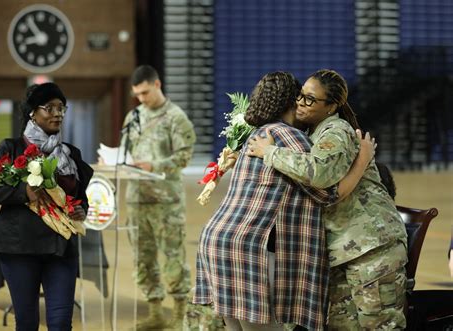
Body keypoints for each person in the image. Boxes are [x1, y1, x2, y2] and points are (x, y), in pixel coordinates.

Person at [194, 71, 373, 331]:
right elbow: (329, 194)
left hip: (217, 241)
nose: (303, 103)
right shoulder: (290, 138)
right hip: (247, 247)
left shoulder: (257, 135)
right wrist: (363, 161)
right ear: (292, 101)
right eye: (300, 97)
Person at [247, 69, 408, 330]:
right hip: (342, 250)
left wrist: (270, 152)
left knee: (379, 325)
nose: (300, 103)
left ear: (331, 106)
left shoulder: (336, 130)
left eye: (311, 99)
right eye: (300, 96)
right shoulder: (312, 133)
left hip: (371, 247)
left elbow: (319, 173)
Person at [0, 82, 93, 330]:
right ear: (32, 112)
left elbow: (81, 198)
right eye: (49, 108)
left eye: (61, 108)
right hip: (20, 250)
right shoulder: (11, 149)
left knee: (61, 322)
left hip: (60, 249)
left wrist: (82, 209)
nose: (57, 114)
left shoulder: (71, 155)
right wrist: (24, 192)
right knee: (27, 323)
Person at [121, 64, 196, 330]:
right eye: (137, 95)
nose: (141, 99)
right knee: (143, 257)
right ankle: (155, 311)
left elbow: (184, 156)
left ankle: (179, 311)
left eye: (144, 93)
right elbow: (125, 151)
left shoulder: (176, 117)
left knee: (173, 256)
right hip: (137, 198)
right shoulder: (133, 117)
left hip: (166, 201)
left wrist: (155, 166)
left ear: (157, 84)